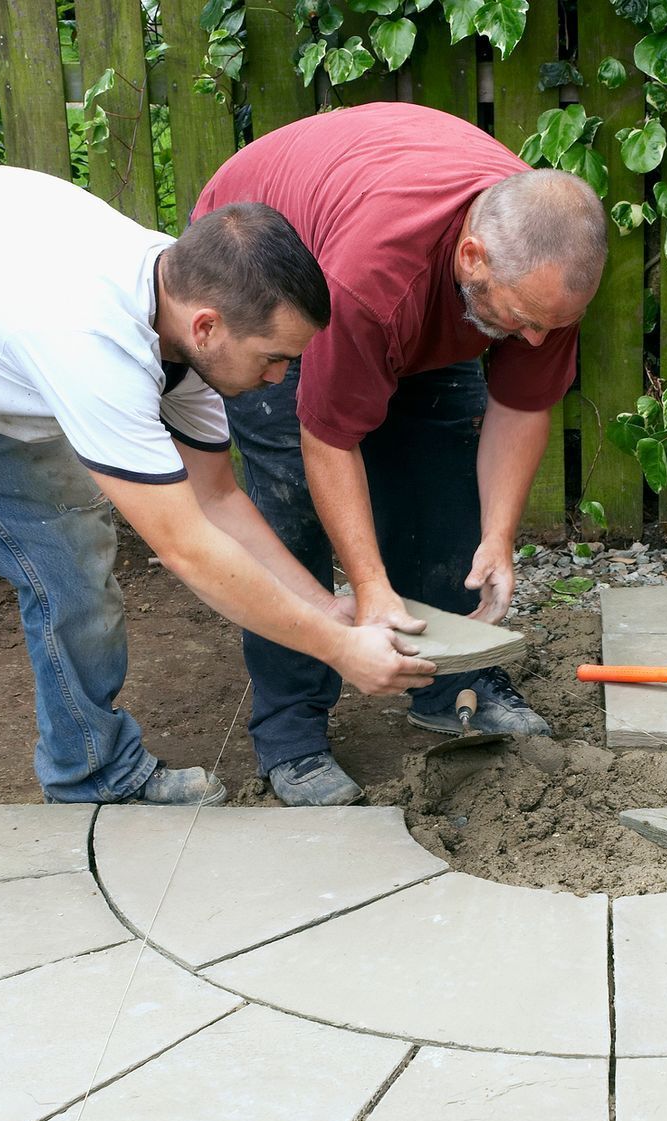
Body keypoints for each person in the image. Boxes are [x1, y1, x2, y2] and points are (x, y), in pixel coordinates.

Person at [0, 164, 435, 1043]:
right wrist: (340, 656)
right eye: (277, 359)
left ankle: (96, 770)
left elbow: (218, 502)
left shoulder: (184, 336)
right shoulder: (91, 339)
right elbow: (183, 544)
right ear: (209, 325)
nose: (285, 377)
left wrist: (336, 617)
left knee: (73, 570)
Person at [194, 102, 608, 806]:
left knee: (439, 471)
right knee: (290, 500)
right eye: (523, 321)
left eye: (551, 326)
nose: (535, 341)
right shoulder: (372, 281)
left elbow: (522, 405)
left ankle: (449, 686)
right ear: (472, 256)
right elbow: (329, 440)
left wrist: (500, 537)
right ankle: (291, 731)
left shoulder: (544, 272)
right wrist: (370, 585)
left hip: (413, 281)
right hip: (267, 275)